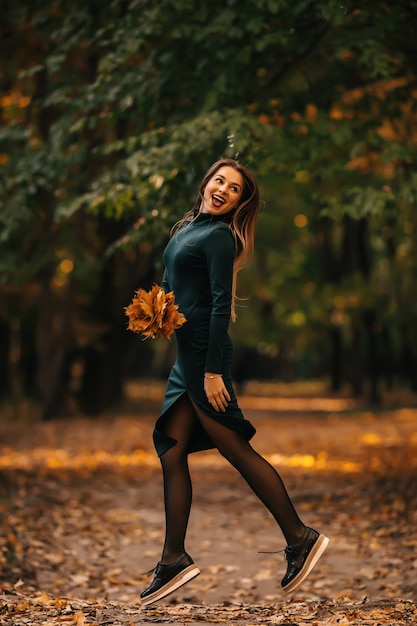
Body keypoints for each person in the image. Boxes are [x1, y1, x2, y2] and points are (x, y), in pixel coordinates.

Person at [140, 158, 329, 606]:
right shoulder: (185, 227)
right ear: (206, 183)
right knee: (171, 446)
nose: (223, 189)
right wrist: (157, 310)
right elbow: (171, 283)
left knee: (235, 448)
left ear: (241, 203)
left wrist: (210, 373)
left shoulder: (221, 237)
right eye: (219, 180)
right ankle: (173, 559)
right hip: (185, 352)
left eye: (235, 189)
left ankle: (300, 538)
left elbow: (221, 306)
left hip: (205, 355)